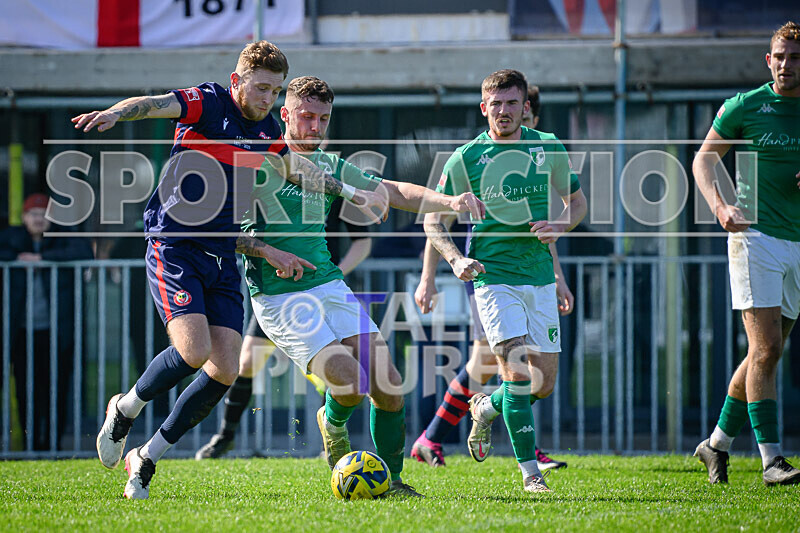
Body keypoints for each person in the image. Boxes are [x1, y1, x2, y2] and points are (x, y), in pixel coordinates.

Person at [72, 41, 388, 500]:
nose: (268, 99)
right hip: (174, 244)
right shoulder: (208, 102)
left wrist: (352, 194)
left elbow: (297, 168)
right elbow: (153, 104)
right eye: (261, 87)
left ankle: (147, 457)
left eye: (276, 91)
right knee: (194, 350)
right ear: (238, 80)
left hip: (223, 254)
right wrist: (119, 112)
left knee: (224, 368)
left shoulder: (267, 133)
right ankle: (125, 408)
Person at [243, 76, 485, 498]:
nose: (315, 127)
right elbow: (227, 235)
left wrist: (449, 202)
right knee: (351, 383)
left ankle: (391, 483)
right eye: (306, 117)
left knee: (388, 384)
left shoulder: (330, 165)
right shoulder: (258, 162)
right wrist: (269, 252)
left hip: (329, 285)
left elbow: (392, 190)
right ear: (284, 115)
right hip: (279, 295)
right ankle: (332, 421)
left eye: (323, 119)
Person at [423, 69, 586, 493]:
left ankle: (487, 407)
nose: (503, 111)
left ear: (524, 106)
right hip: (493, 279)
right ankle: (531, 475)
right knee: (514, 374)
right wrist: (455, 260)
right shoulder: (465, 157)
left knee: (543, 384)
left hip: (538, 279)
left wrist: (562, 225)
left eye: (511, 103)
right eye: (495, 104)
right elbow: (432, 221)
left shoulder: (547, 147)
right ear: (484, 108)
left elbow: (577, 202)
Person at [692, 21, 800, 487]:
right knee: (767, 348)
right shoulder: (746, 105)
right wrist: (720, 206)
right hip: (755, 237)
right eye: (778, 56)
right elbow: (704, 158)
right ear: (768, 60)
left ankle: (714, 444)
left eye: (794, 58)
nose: (784, 65)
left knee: (766, 355)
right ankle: (772, 461)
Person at [196, 208, 371, 459]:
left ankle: (328, 444)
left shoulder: (329, 184)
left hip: (320, 294)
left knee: (332, 374)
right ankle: (225, 436)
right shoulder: (272, 186)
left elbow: (363, 241)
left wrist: (333, 273)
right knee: (246, 364)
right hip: (278, 296)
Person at [0, 193, 93, 451]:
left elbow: (83, 251)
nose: (38, 219)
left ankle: (51, 445)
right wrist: (18, 257)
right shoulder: (12, 237)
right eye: (33, 214)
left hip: (56, 331)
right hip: (20, 331)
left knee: (56, 388)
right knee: (25, 388)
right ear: (24, 217)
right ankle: (31, 444)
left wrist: (41, 259)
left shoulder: (63, 237)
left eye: (43, 214)